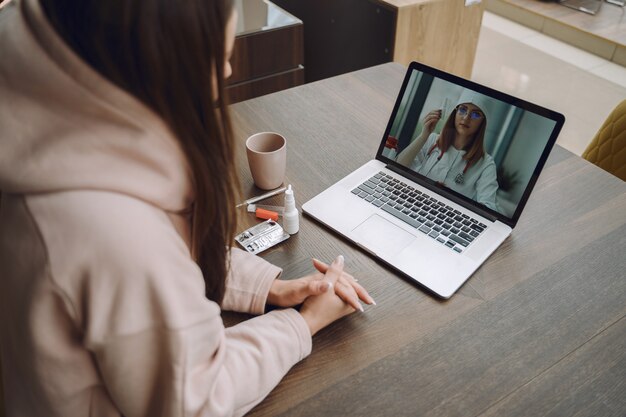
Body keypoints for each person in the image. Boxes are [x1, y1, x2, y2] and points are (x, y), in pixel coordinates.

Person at [0, 0, 374, 416]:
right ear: (154, 53)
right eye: (218, 58)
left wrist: (270, 288)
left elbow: (158, 266)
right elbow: (197, 399)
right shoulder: (113, 234)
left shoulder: (36, 77)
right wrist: (304, 323)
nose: (228, 74)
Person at [395, 90, 499, 211]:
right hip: (410, 203)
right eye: (463, 109)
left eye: (475, 114)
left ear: (483, 122)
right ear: (455, 113)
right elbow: (396, 168)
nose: (466, 118)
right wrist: (424, 136)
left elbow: (489, 208)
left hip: (445, 218)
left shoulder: (486, 164)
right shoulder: (431, 140)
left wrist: (451, 201)